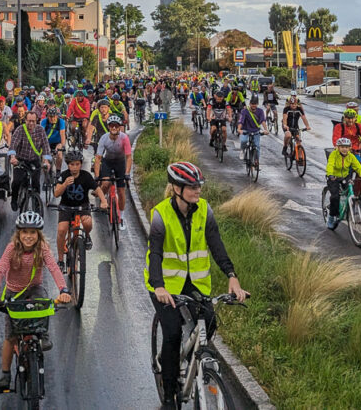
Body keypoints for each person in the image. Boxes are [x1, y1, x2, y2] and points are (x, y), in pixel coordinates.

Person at [147, 162, 248, 409]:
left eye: (199, 185)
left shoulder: (204, 210)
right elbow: (156, 254)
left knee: (210, 321)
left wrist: (231, 275)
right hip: (165, 284)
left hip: (196, 284)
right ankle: (170, 393)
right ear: (176, 188)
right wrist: (159, 286)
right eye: (192, 186)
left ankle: (194, 359)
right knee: (171, 334)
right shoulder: (161, 214)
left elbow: (216, 244)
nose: (198, 190)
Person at [0, 212, 71, 392]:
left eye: (33, 232)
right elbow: (0, 271)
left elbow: (54, 269)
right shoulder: (11, 248)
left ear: (38, 235)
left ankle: (43, 335)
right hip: (13, 293)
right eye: (25, 232)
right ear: (18, 234)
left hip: (34, 290)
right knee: (11, 335)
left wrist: (63, 290)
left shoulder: (43, 248)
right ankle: (6, 373)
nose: (29, 236)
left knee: (43, 304)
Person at [55, 149, 106, 259]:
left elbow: (97, 189)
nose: (74, 167)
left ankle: (87, 236)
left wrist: (104, 201)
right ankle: (60, 260)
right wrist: (64, 185)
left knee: (87, 223)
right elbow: (56, 194)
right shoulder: (64, 175)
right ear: (68, 165)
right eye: (72, 164)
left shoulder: (86, 176)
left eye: (77, 164)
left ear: (81, 164)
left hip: (82, 206)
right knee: (61, 230)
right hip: (66, 207)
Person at [94, 114, 132, 230]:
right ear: (109, 127)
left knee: (121, 191)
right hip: (108, 162)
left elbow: (129, 157)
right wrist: (96, 176)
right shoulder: (104, 138)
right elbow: (98, 158)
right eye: (111, 126)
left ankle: (122, 218)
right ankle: (103, 199)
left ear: (120, 127)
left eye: (116, 126)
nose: (114, 128)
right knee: (105, 183)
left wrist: (127, 173)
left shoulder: (124, 138)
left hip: (120, 163)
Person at [9, 111, 52, 211]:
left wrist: (46, 161)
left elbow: (46, 147)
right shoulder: (20, 129)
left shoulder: (40, 130)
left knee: (36, 183)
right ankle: (14, 199)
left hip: (34, 160)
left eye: (33, 121)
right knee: (16, 181)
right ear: (25, 120)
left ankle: (37, 204)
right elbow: (13, 144)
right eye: (29, 121)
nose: (31, 123)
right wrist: (12, 157)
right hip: (20, 160)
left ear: (37, 121)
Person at [324, 137, 361, 230]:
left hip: (345, 177)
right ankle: (331, 218)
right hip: (334, 178)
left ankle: (347, 211)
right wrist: (330, 175)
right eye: (342, 147)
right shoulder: (333, 154)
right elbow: (330, 164)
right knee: (335, 197)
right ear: (338, 147)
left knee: (351, 192)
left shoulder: (351, 156)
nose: (344, 149)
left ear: (350, 148)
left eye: (347, 147)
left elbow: (358, 167)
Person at [236, 95, 268, 163]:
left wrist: (266, 129)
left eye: (255, 104)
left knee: (257, 146)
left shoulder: (260, 111)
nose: (254, 105)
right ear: (250, 104)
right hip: (246, 130)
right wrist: (239, 129)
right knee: (244, 141)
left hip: (256, 130)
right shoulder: (244, 111)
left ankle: (256, 160)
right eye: (252, 104)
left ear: (257, 104)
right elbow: (241, 121)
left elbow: (263, 121)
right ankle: (242, 150)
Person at [280, 94, 312, 158]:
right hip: (287, 126)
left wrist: (307, 126)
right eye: (292, 104)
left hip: (295, 127)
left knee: (299, 142)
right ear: (289, 104)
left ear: (297, 104)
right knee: (288, 135)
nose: (293, 105)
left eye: (295, 104)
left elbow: (304, 118)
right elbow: (285, 118)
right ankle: (285, 147)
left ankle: (300, 159)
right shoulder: (286, 109)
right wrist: (285, 125)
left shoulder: (299, 109)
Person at [41, 106, 67, 172]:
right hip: (46, 142)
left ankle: (58, 171)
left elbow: (62, 134)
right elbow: (41, 134)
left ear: (57, 116)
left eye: (54, 116)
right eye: (50, 117)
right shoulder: (44, 122)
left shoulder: (61, 122)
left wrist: (63, 146)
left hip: (57, 142)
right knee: (44, 159)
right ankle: (46, 177)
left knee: (59, 154)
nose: (52, 118)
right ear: (47, 116)